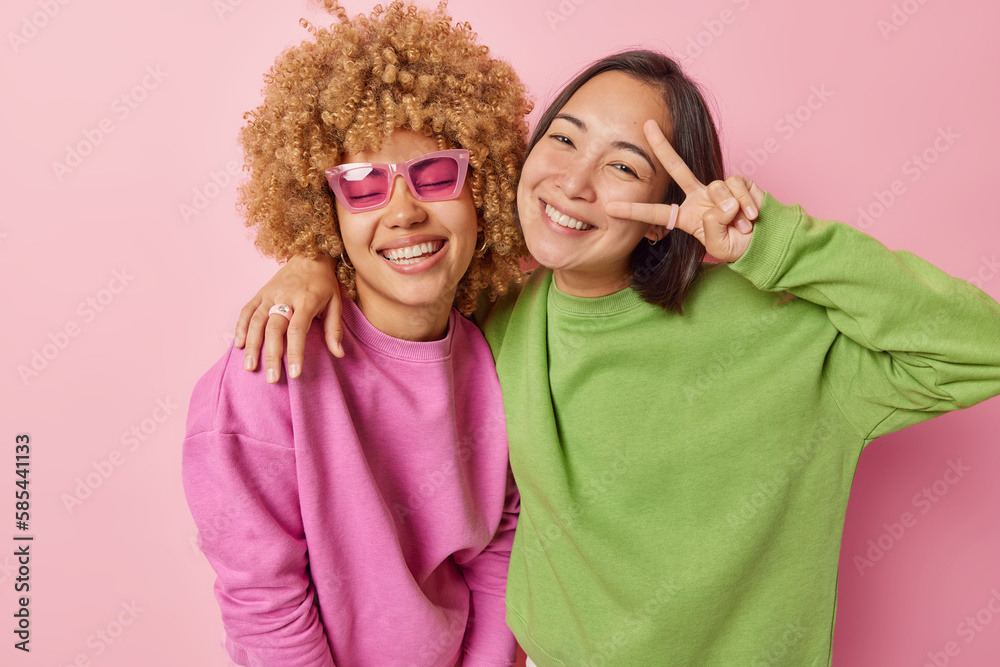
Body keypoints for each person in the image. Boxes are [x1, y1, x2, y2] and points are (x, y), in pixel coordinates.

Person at [233, 50, 1000, 665]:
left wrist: (778, 244)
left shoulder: (782, 330)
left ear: (669, 208)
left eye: (624, 165)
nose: (573, 180)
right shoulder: (495, 317)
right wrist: (314, 262)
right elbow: (404, 260)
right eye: (564, 138)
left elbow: (982, 351)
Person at [181, 1, 532, 665]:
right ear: (325, 212)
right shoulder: (271, 369)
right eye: (364, 184)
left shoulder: (495, 354)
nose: (404, 211)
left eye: (436, 173)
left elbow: (501, 557)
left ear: (482, 191)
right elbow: (266, 605)